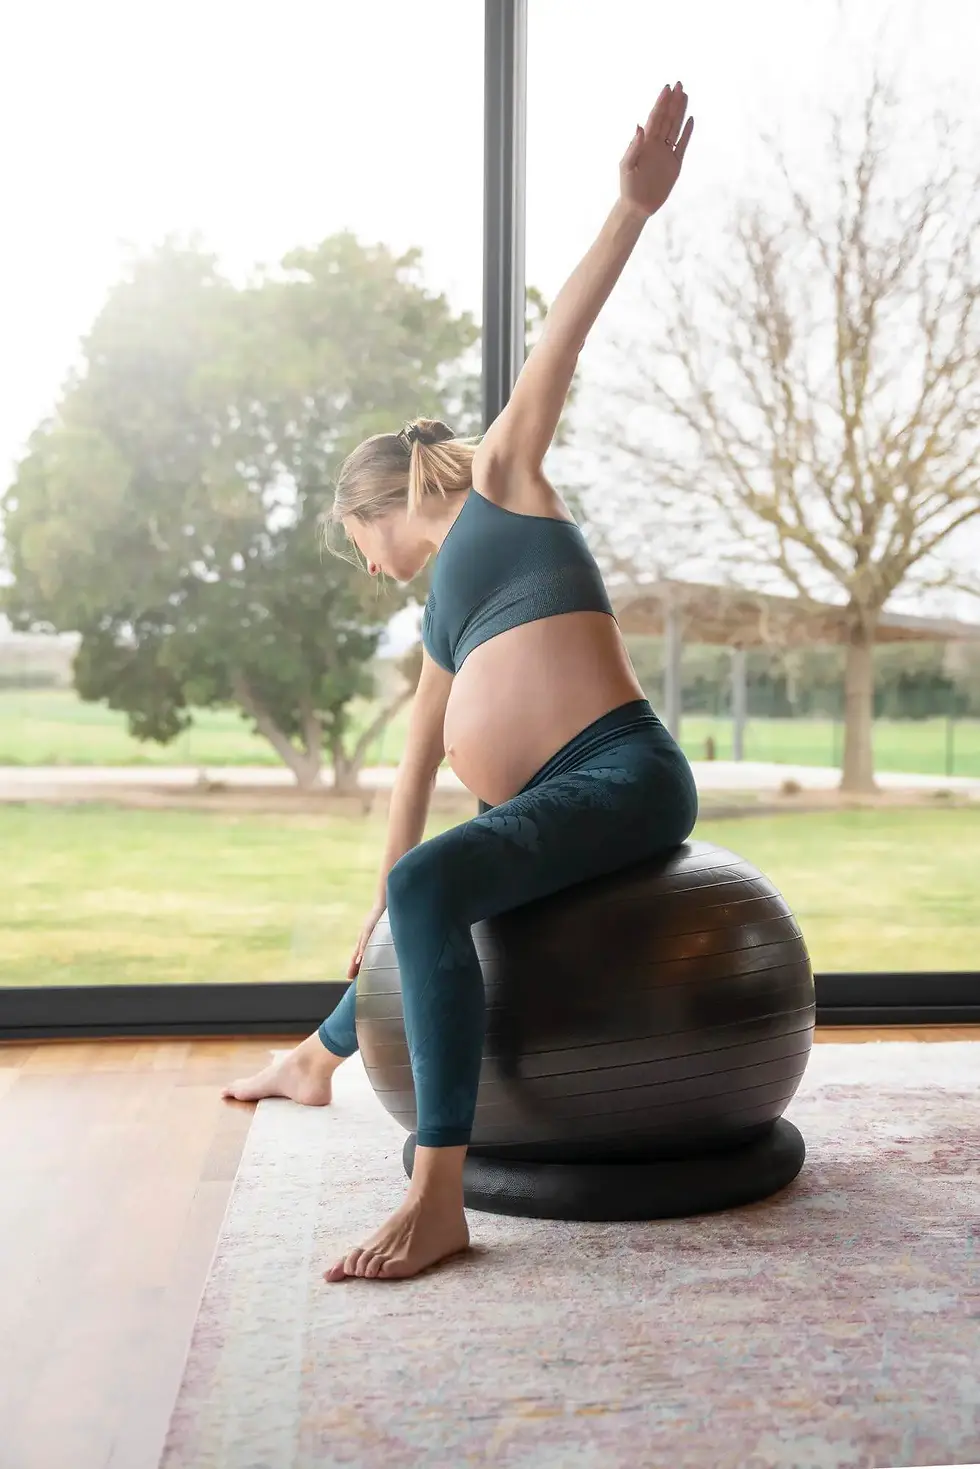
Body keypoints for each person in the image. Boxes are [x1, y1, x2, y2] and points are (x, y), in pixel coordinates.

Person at [224, 81, 697, 1281]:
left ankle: (439, 1197)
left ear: (384, 504)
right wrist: (380, 895)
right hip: (539, 804)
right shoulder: (440, 615)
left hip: (620, 773)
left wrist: (629, 208)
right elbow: (420, 752)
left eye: (355, 540)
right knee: (419, 895)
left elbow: (561, 340)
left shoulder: (501, 482)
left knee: (433, 887)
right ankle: (315, 1058)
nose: (364, 564)